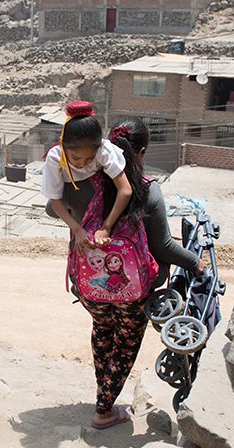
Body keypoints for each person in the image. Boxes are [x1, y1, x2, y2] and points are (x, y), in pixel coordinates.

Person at [47, 117, 204, 430]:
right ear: (141, 152)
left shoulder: (80, 181)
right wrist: (196, 264)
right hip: (134, 294)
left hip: (90, 286)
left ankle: (103, 396)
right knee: (126, 344)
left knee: (103, 331)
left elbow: (52, 208)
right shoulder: (146, 191)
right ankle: (104, 411)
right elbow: (165, 248)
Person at [41, 101, 133, 254]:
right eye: (76, 158)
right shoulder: (55, 157)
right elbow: (55, 201)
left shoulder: (104, 150)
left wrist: (106, 227)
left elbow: (125, 190)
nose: (82, 164)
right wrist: (76, 229)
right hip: (69, 200)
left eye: (89, 159)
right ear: (63, 146)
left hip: (96, 197)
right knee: (79, 240)